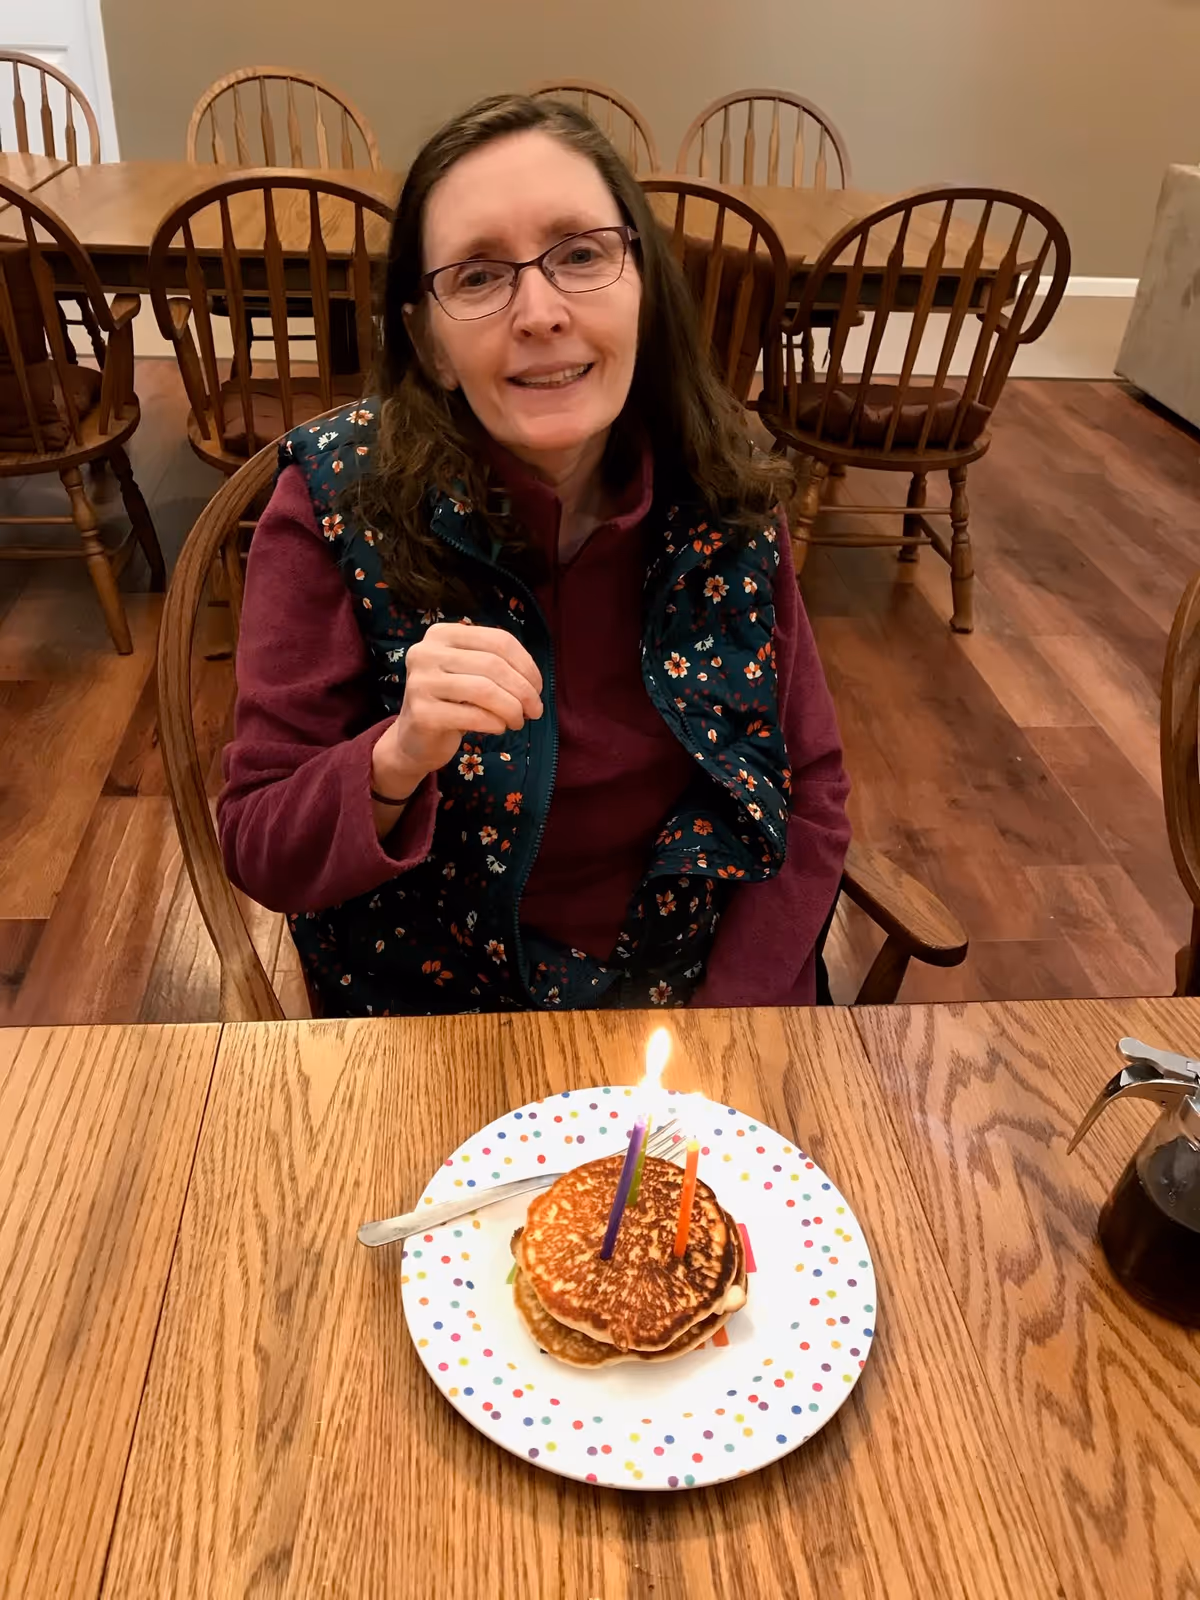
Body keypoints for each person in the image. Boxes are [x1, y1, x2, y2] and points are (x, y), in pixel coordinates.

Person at [218, 93, 851, 1018]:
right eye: (477, 277)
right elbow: (260, 842)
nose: (541, 311)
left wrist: (736, 1023)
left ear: (643, 285)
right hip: (435, 1025)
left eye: (582, 254)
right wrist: (392, 759)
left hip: (699, 1006)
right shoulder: (334, 501)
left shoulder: (728, 492)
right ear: (429, 345)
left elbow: (810, 788)